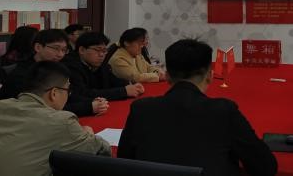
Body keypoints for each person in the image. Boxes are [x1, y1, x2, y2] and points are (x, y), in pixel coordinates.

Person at [118, 39, 278, 176]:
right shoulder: (224, 111)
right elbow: (265, 167)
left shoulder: (141, 109)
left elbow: (123, 162)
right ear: (210, 76)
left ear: (167, 77)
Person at [0, 61, 111, 176]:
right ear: (54, 93)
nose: (68, 95)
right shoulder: (61, 121)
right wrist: (88, 134)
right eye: (68, 90)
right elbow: (103, 151)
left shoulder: (2, 105)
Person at [62, 31, 145, 108]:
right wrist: (124, 91)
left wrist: (129, 85)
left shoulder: (101, 64)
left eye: (104, 50)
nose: (101, 55)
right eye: (97, 50)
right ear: (82, 50)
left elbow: (113, 80)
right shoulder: (70, 66)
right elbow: (83, 93)